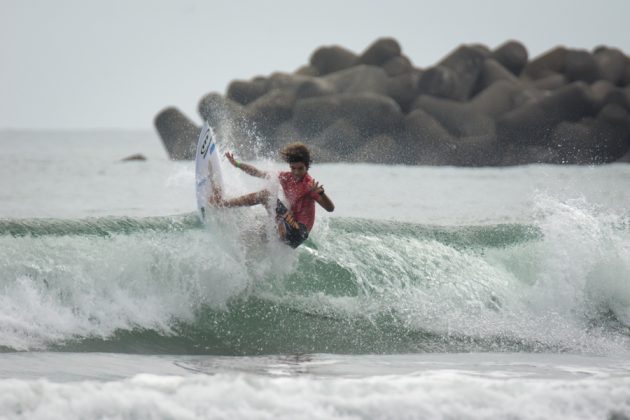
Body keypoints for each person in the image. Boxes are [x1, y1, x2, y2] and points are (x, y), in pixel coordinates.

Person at [209, 142, 335, 248]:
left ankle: (223, 203)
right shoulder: (286, 177)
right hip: (288, 226)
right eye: (293, 168)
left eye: (300, 168)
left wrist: (322, 194)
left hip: (298, 232)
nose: (296, 172)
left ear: (307, 167)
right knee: (258, 231)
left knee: (266, 195)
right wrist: (236, 164)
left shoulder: (309, 185)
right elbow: (258, 173)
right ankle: (244, 249)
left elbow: (330, 208)